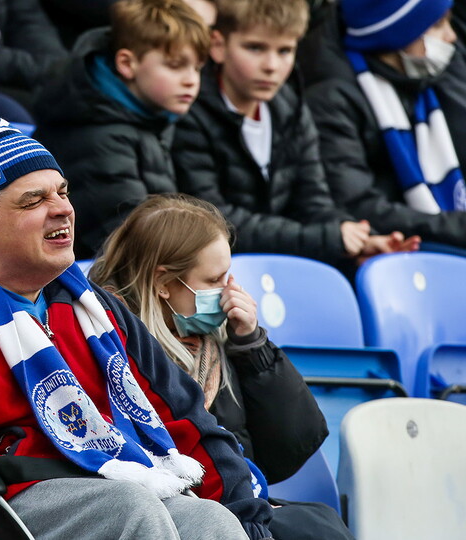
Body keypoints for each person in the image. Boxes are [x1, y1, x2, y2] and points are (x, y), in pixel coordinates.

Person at [0, 112, 274, 540]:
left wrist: (245, 515)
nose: (62, 209)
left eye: (62, 192)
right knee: (128, 509)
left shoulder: (93, 306)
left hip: (120, 481)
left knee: (211, 521)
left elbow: (184, 418)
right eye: (33, 201)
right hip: (2, 502)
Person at [89, 194, 354, 540]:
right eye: (214, 280)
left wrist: (252, 347)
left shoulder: (221, 341)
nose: (229, 291)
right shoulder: (111, 352)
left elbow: (292, 447)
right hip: (181, 514)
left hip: (240, 501)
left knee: (320, 525)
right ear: (163, 283)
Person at [171, 0, 419, 268]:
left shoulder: (291, 108)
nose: (271, 65)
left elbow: (313, 202)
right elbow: (214, 222)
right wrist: (329, 239)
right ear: (218, 46)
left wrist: (360, 239)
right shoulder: (189, 113)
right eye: (255, 48)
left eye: (285, 50)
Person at [33, 0, 208, 259]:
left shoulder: (154, 116)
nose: (191, 80)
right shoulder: (95, 133)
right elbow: (129, 238)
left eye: (197, 68)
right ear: (127, 63)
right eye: (174, 65)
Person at [305, 0, 466, 254]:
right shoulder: (333, 101)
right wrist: (457, 227)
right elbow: (358, 205)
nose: (451, 36)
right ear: (400, 31)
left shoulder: (435, 78)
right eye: (437, 24)